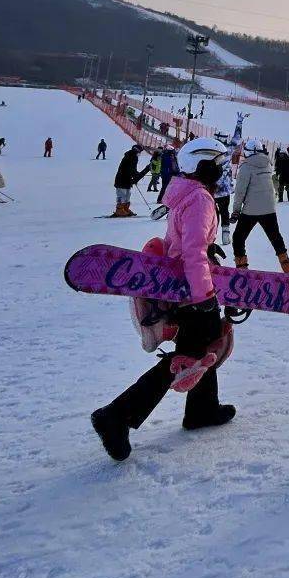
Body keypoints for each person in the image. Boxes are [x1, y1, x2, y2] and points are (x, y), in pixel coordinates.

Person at [90, 138, 237, 461]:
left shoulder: (185, 192)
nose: (222, 171)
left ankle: (202, 408)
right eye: (218, 165)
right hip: (192, 290)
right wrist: (205, 296)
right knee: (191, 355)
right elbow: (192, 251)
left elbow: (181, 242)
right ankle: (117, 414)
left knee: (208, 345)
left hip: (179, 286)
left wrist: (208, 253)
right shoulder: (200, 199)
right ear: (203, 165)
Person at [231, 139, 289, 270]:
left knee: (238, 238)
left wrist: (236, 211)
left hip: (251, 210)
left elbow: (240, 192)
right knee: (276, 238)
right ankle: (287, 266)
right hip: (269, 208)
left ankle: (242, 269)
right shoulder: (267, 164)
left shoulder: (246, 167)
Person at [112, 146, 149, 218]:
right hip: (121, 180)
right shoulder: (131, 157)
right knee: (122, 194)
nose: (140, 154)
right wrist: (145, 171)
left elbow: (133, 172)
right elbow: (133, 172)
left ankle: (125, 209)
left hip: (127, 180)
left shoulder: (132, 156)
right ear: (137, 151)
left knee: (127, 195)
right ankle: (119, 210)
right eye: (140, 152)